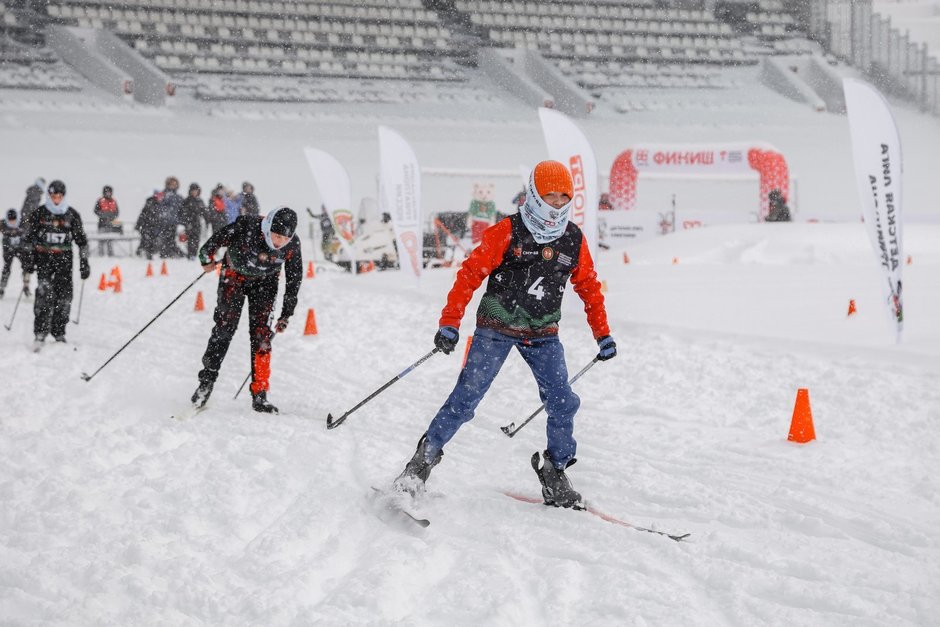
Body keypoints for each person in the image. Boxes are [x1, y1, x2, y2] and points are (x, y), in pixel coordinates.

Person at [393, 161, 617, 509]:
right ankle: (419, 466)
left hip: (543, 335)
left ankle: (555, 472)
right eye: (550, 195)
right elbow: (469, 276)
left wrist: (602, 334)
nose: (557, 203)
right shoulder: (506, 232)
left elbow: (588, 286)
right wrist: (450, 322)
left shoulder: (573, 239)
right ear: (534, 194)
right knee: (466, 398)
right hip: (495, 329)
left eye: (564, 196)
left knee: (563, 401)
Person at [192, 206, 303, 414]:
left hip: (266, 284)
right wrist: (206, 259)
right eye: (276, 236)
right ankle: (205, 384)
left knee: (262, 337)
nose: (279, 242)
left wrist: (287, 313)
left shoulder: (292, 245)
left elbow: (294, 279)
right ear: (268, 227)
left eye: (284, 239)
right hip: (233, 277)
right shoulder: (248, 226)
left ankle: (260, 395)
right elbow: (215, 241)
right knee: (224, 329)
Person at [22, 180, 89, 348]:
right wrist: (28, 260)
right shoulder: (40, 213)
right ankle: (40, 332)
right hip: (44, 261)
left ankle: (59, 332)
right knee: (44, 295)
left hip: (64, 262)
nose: (56, 199)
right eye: (53, 196)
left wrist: (84, 261)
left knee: (64, 298)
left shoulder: (71, 214)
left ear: (63, 196)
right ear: (49, 196)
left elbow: (82, 241)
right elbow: (28, 239)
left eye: (59, 196)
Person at [1, 209, 30, 298]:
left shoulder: (23, 223)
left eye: (14, 220)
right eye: (10, 220)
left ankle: (26, 286)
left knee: (26, 266)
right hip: (8, 249)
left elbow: (31, 230)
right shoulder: (3, 224)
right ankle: (2, 287)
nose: (12, 222)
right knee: (7, 267)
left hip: (21, 249)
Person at [155, 176, 183, 258]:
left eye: (174, 184)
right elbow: (159, 206)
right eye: (171, 184)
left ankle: (170, 252)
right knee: (164, 239)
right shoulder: (163, 194)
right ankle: (164, 253)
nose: (173, 185)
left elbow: (181, 209)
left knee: (171, 238)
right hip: (164, 221)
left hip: (174, 221)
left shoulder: (178, 197)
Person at [93, 185, 121, 257]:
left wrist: (111, 217)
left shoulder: (114, 201)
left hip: (110, 225)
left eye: (109, 192)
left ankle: (110, 255)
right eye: (107, 192)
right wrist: (103, 215)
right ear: (104, 193)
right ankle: (101, 255)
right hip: (101, 225)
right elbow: (96, 211)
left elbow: (117, 212)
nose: (108, 194)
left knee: (110, 241)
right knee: (101, 241)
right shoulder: (100, 200)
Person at [180, 183, 206, 260]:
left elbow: (204, 212)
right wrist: (186, 222)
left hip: (197, 224)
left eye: (196, 190)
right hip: (189, 224)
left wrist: (206, 219)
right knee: (190, 240)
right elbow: (182, 213)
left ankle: (194, 254)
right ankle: (190, 254)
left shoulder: (200, 201)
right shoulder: (187, 200)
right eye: (193, 190)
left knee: (196, 240)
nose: (194, 192)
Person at [135, 190, 161, 259]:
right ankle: (147, 253)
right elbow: (143, 215)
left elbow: (142, 215)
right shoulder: (151, 204)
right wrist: (138, 225)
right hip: (147, 226)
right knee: (147, 240)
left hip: (151, 226)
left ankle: (145, 252)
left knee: (147, 240)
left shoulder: (157, 204)